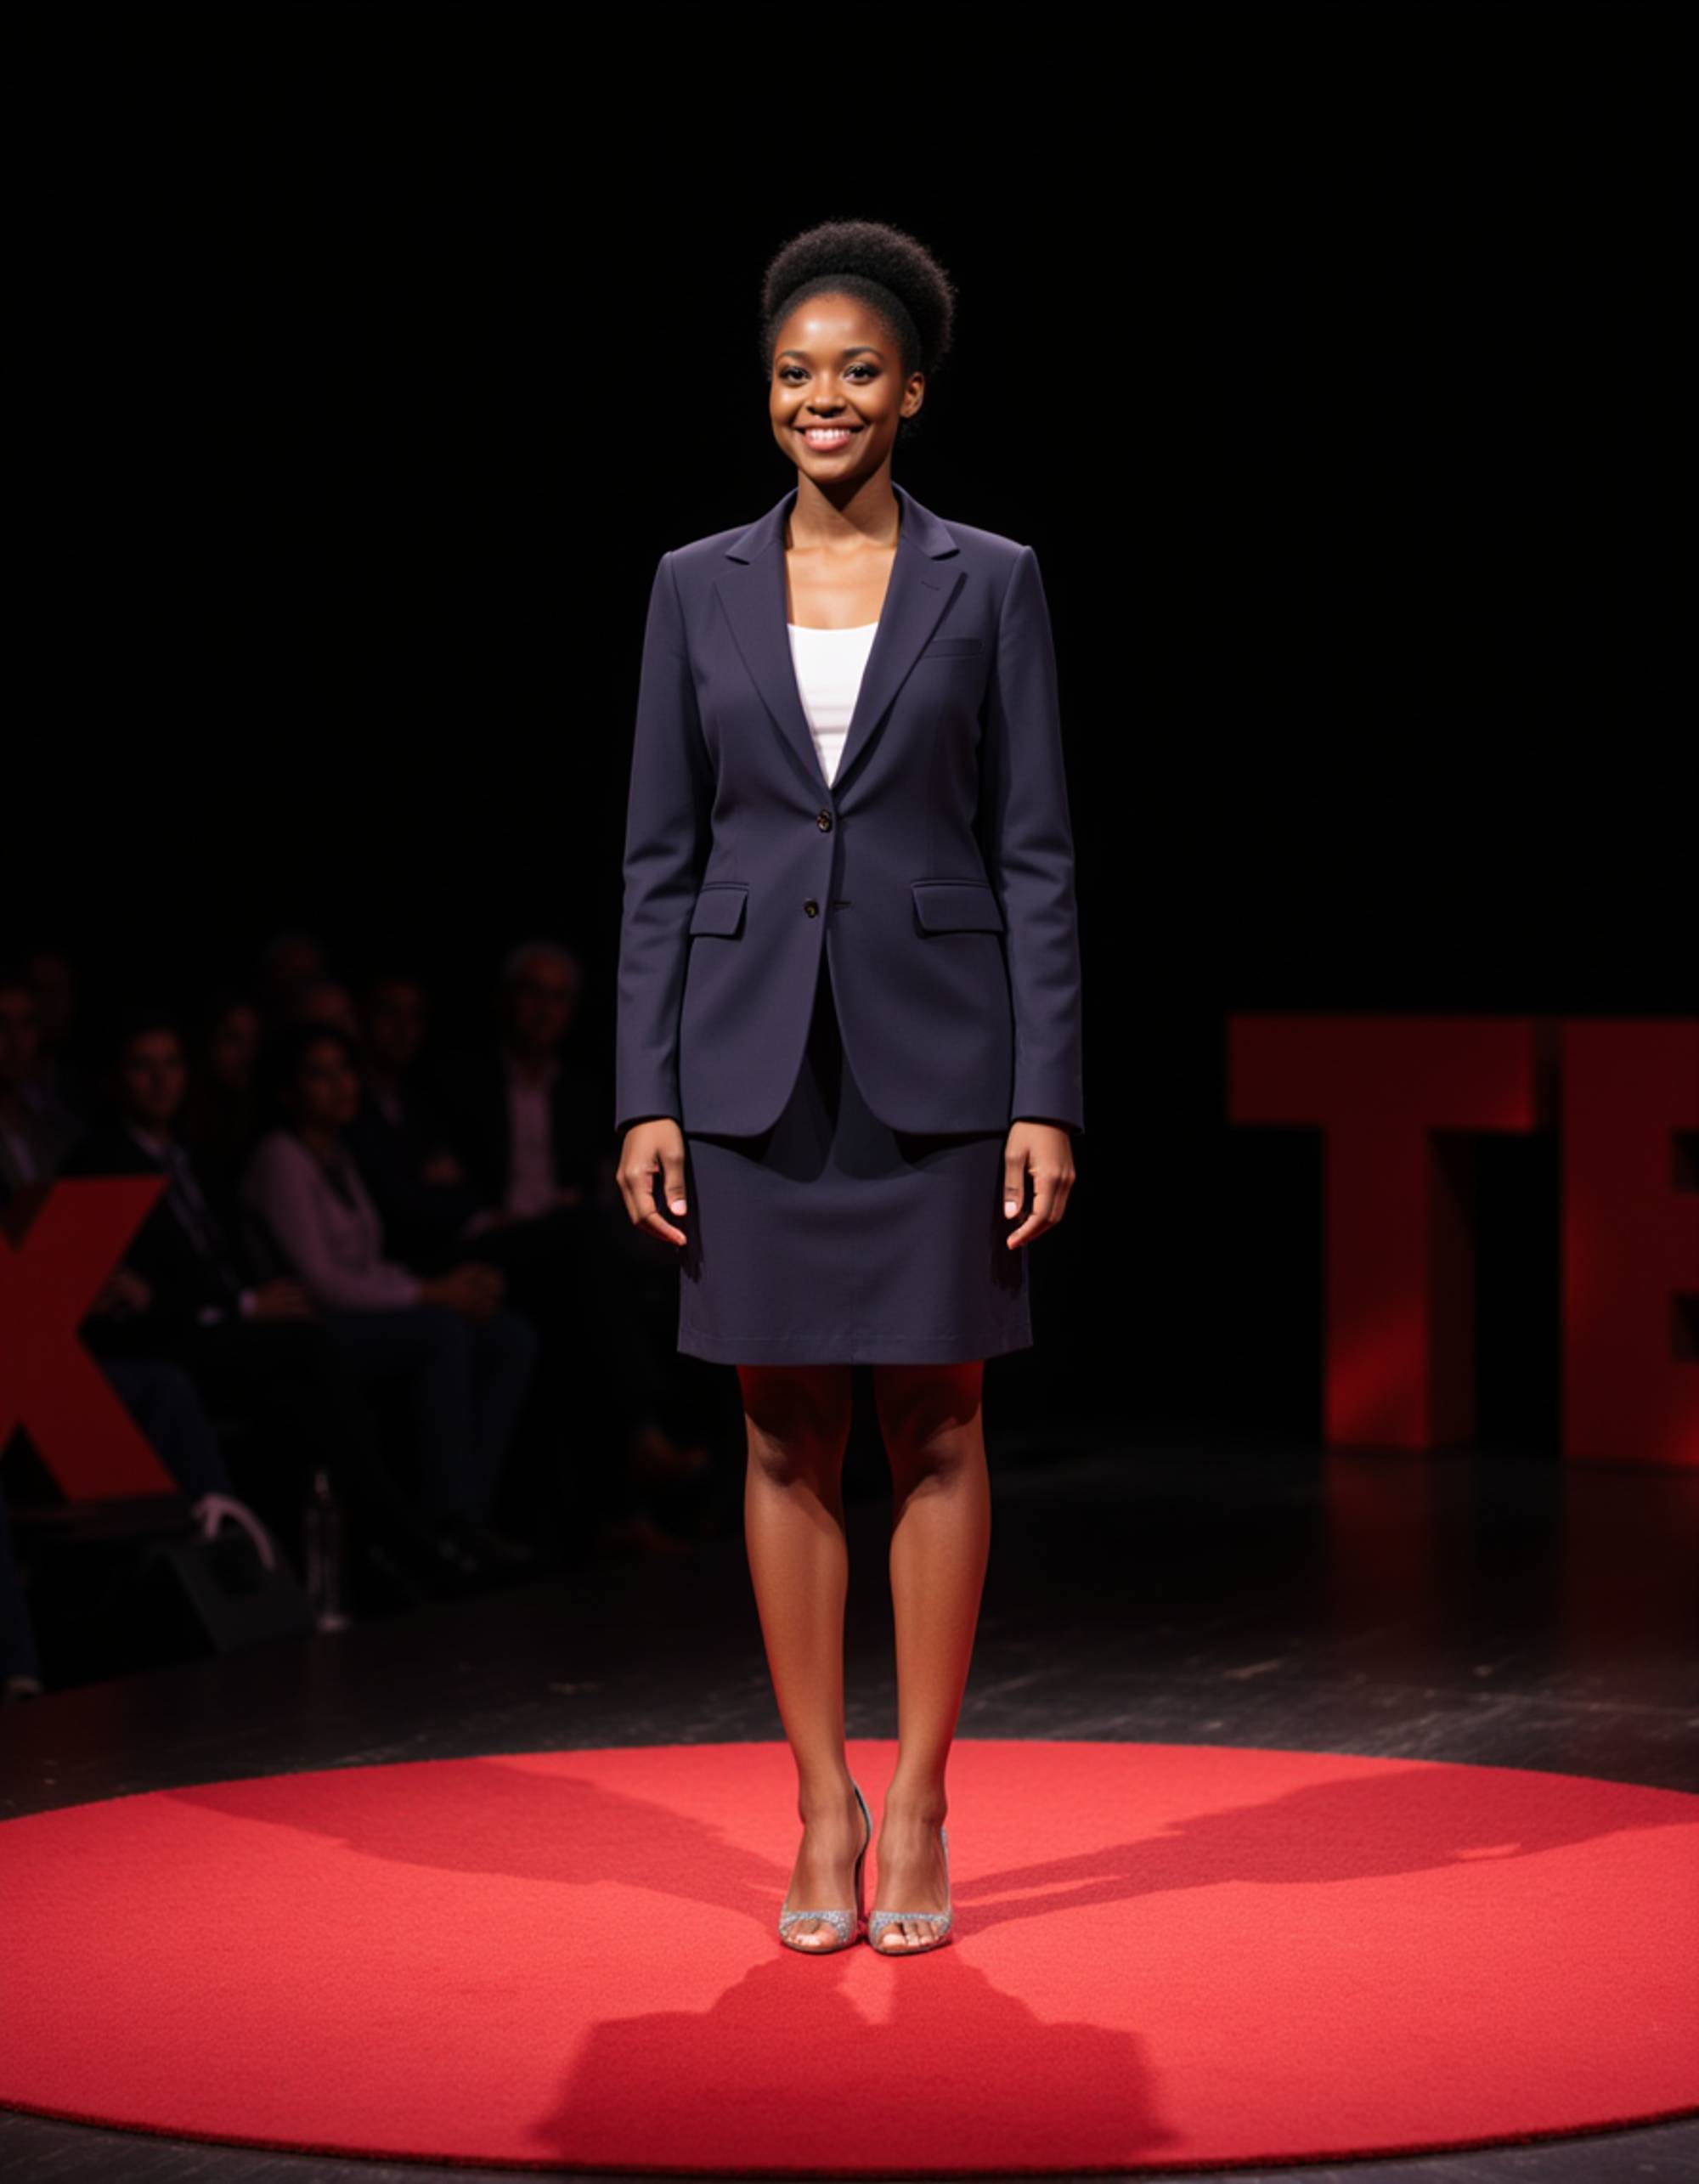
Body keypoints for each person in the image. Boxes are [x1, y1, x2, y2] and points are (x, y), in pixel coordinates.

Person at [613, 220, 1085, 1953]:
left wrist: (1047, 1093)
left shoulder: (994, 579)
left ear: (913, 394)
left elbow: (1034, 853)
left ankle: (927, 1795)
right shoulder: (691, 584)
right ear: (768, 392)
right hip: (744, 1059)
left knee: (939, 1421)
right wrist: (644, 1090)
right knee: (778, 1426)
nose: (824, 396)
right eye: (797, 372)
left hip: (940, 1055)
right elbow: (658, 859)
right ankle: (822, 1802)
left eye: (858, 371)